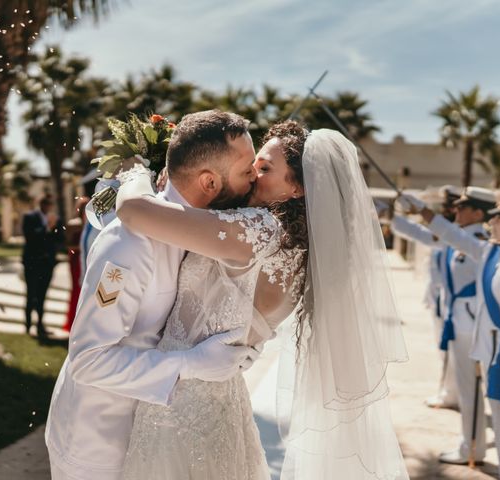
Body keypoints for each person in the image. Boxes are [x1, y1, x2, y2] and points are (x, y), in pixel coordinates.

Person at [116, 122, 409, 479]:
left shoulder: (259, 231)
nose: (253, 172)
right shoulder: (297, 248)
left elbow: (133, 211)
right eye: (255, 163)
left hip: (178, 407)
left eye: (266, 168)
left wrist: (135, 171)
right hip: (219, 402)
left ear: (299, 187)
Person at [45, 110, 261, 480]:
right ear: (209, 182)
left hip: (149, 436)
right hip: (97, 444)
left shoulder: (200, 232)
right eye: (247, 171)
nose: (254, 179)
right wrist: (193, 364)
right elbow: (89, 359)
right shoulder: (126, 247)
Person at [402, 191, 500, 479]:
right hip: (492, 353)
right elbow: (454, 236)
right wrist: (423, 212)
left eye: (499, 218)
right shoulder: (493, 251)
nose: (493, 223)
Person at [397, 187, 495, 466]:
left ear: (478, 213)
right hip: (460, 320)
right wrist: (392, 218)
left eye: (463, 207)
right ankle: (470, 445)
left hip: (472, 324)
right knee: (467, 388)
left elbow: (451, 236)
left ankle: (472, 447)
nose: (457, 211)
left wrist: (423, 211)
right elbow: (429, 237)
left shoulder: (477, 238)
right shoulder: (464, 236)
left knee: (472, 389)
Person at [392, 185, 461, 410]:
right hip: (440, 297)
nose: (446, 209)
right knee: (443, 349)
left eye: (449, 205)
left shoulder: (455, 232)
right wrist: (390, 218)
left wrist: (416, 211)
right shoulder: (449, 230)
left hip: (452, 301)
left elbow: (425, 235)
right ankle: (447, 391)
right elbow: (423, 234)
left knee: (449, 351)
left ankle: (451, 394)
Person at [22, 194, 64, 339]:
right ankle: (27, 326)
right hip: (32, 263)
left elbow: (60, 239)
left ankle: (40, 325)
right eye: (45, 203)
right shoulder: (29, 217)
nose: (47, 206)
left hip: (47, 263)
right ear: (39, 203)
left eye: (49, 203)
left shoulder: (55, 219)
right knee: (30, 294)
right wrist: (47, 227)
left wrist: (54, 228)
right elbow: (30, 237)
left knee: (42, 295)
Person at [63, 197, 90, 332]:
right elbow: (68, 245)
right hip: (76, 259)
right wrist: (82, 247)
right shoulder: (73, 223)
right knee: (76, 290)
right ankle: (72, 322)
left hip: (86, 258)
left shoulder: (92, 223)